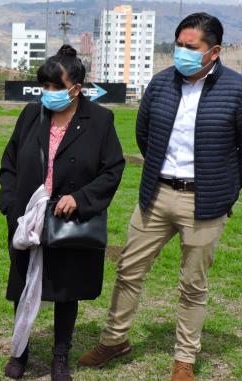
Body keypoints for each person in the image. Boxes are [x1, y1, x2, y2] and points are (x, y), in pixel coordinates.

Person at [78, 13, 242, 381]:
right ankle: (114, 340)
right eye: (178, 45)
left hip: (205, 203)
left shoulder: (235, 90)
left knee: (193, 285)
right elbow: (144, 134)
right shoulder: (161, 83)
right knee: (129, 270)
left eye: (191, 47)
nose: (181, 52)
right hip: (157, 194)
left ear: (213, 52)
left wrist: (227, 189)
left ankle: (184, 359)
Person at [0, 45, 125, 381]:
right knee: (24, 285)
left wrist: (81, 198)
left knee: (66, 289)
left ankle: (60, 357)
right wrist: (10, 201)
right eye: (46, 86)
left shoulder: (99, 120)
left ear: (77, 89)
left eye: (57, 87)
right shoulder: (30, 115)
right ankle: (20, 353)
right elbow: (9, 162)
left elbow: (112, 169)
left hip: (69, 221)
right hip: (28, 217)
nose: (49, 94)